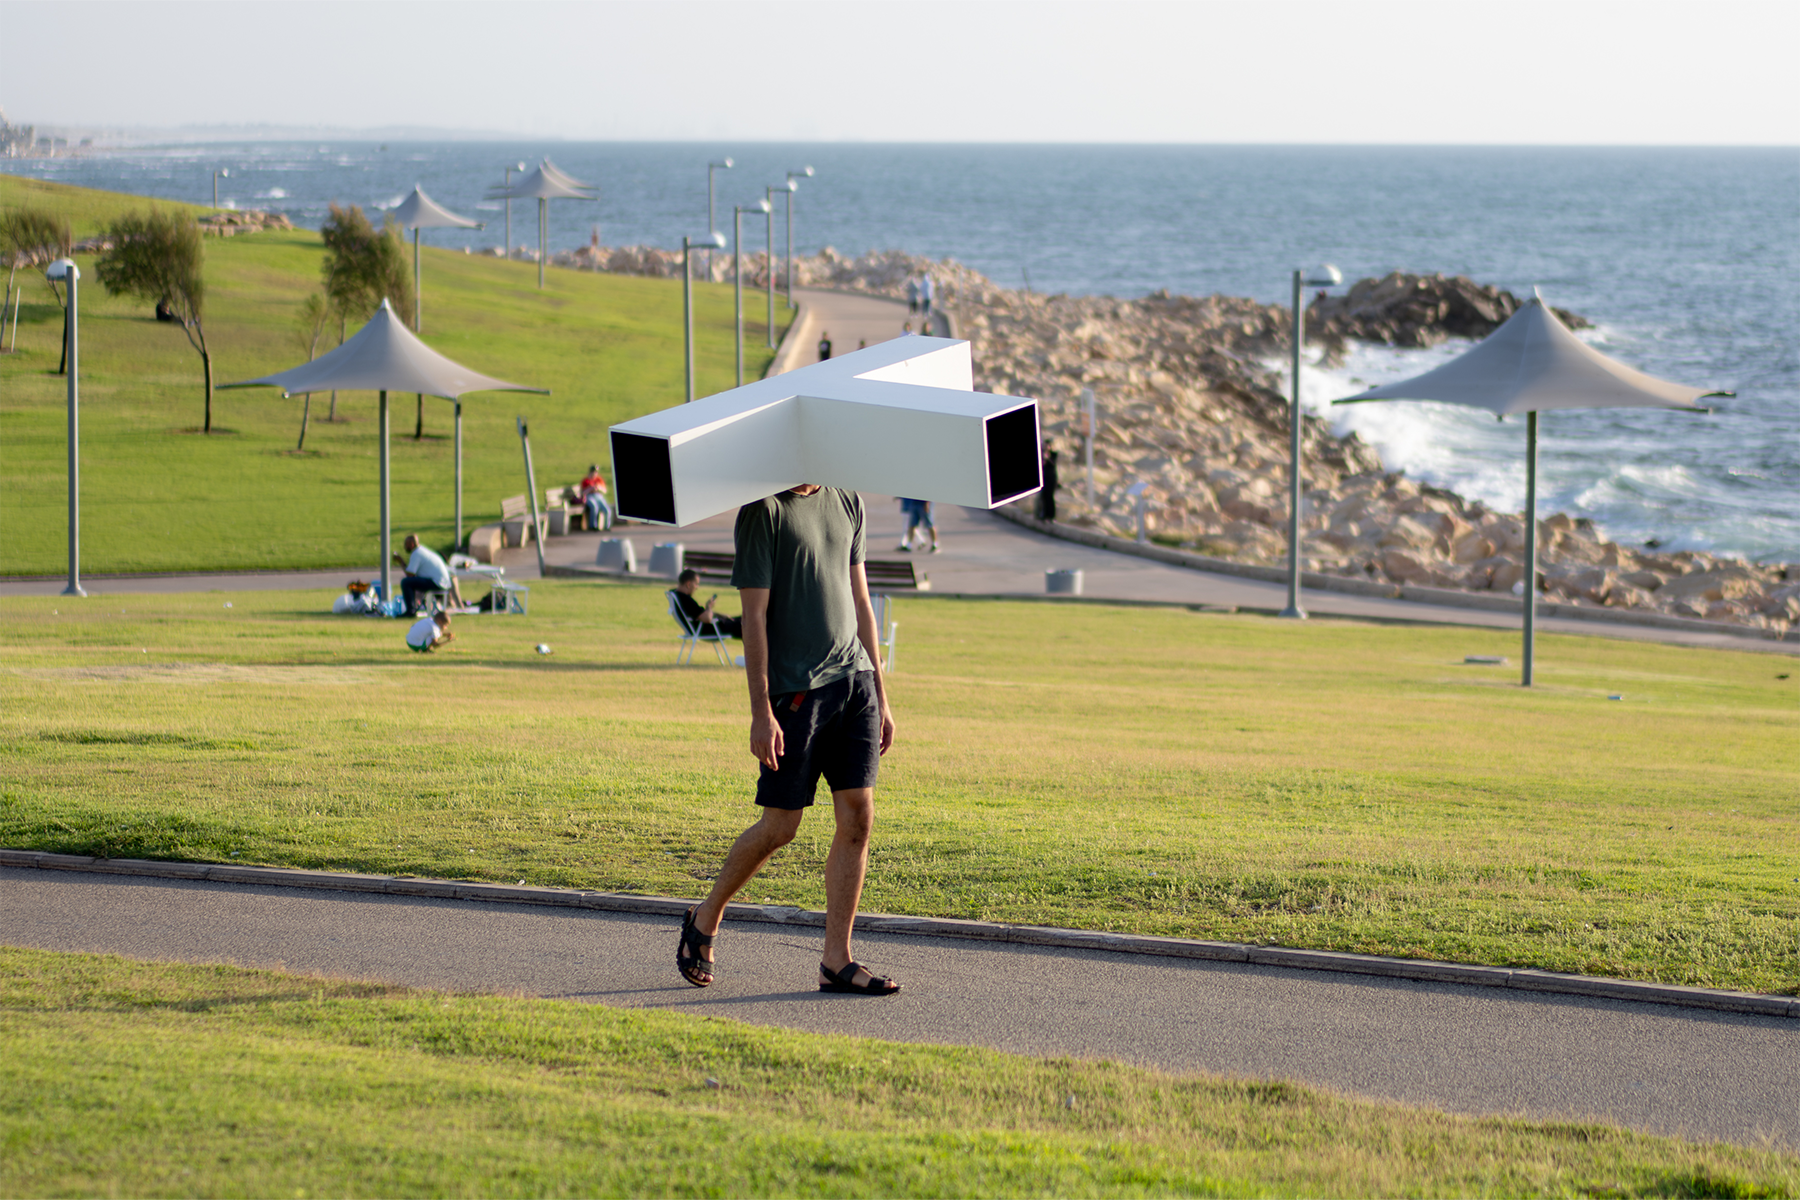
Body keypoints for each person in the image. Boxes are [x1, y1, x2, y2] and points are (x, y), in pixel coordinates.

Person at [676, 484, 899, 996]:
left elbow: (862, 602)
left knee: (859, 820)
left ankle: (836, 961)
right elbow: (753, 619)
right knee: (780, 827)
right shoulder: (764, 511)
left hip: (856, 683)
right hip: (797, 695)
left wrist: (882, 696)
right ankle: (705, 917)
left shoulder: (849, 501)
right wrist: (760, 712)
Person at [392, 534, 457, 615]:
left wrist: (400, 561)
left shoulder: (416, 553)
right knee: (412, 581)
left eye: (406, 544)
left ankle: (410, 611)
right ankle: (415, 606)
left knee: (405, 582)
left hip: (437, 583)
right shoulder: (422, 551)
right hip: (444, 583)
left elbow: (410, 575)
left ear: (412, 544)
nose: (405, 547)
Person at [671, 567, 741, 637]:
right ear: (688, 584)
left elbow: (700, 614)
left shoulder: (678, 596)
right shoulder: (685, 599)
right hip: (712, 629)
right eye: (696, 584)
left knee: (744, 619)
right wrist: (709, 607)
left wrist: (721, 615)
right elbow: (707, 618)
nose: (697, 587)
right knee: (746, 624)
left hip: (712, 626)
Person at [578, 464, 612, 532]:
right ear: (590, 472)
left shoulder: (599, 479)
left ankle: (607, 526)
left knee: (607, 510)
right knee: (594, 507)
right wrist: (590, 488)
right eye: (593, 472)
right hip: (589, 496)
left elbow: (604, 490)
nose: (594, 473)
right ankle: (593, 526)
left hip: (598, 496)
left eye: (596, 472)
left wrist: (599, 488)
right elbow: (582, 492)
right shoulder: (586, 480)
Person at [1036, 443, 1059, 522]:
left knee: (1050, 497)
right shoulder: (1041, 454)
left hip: (1051, 479)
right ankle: (1043, 515)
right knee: (1043, 497)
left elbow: (1052, 463)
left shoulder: (1053, 455)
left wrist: (1047, 458)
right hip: (1043, 479)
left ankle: (1051, 516)